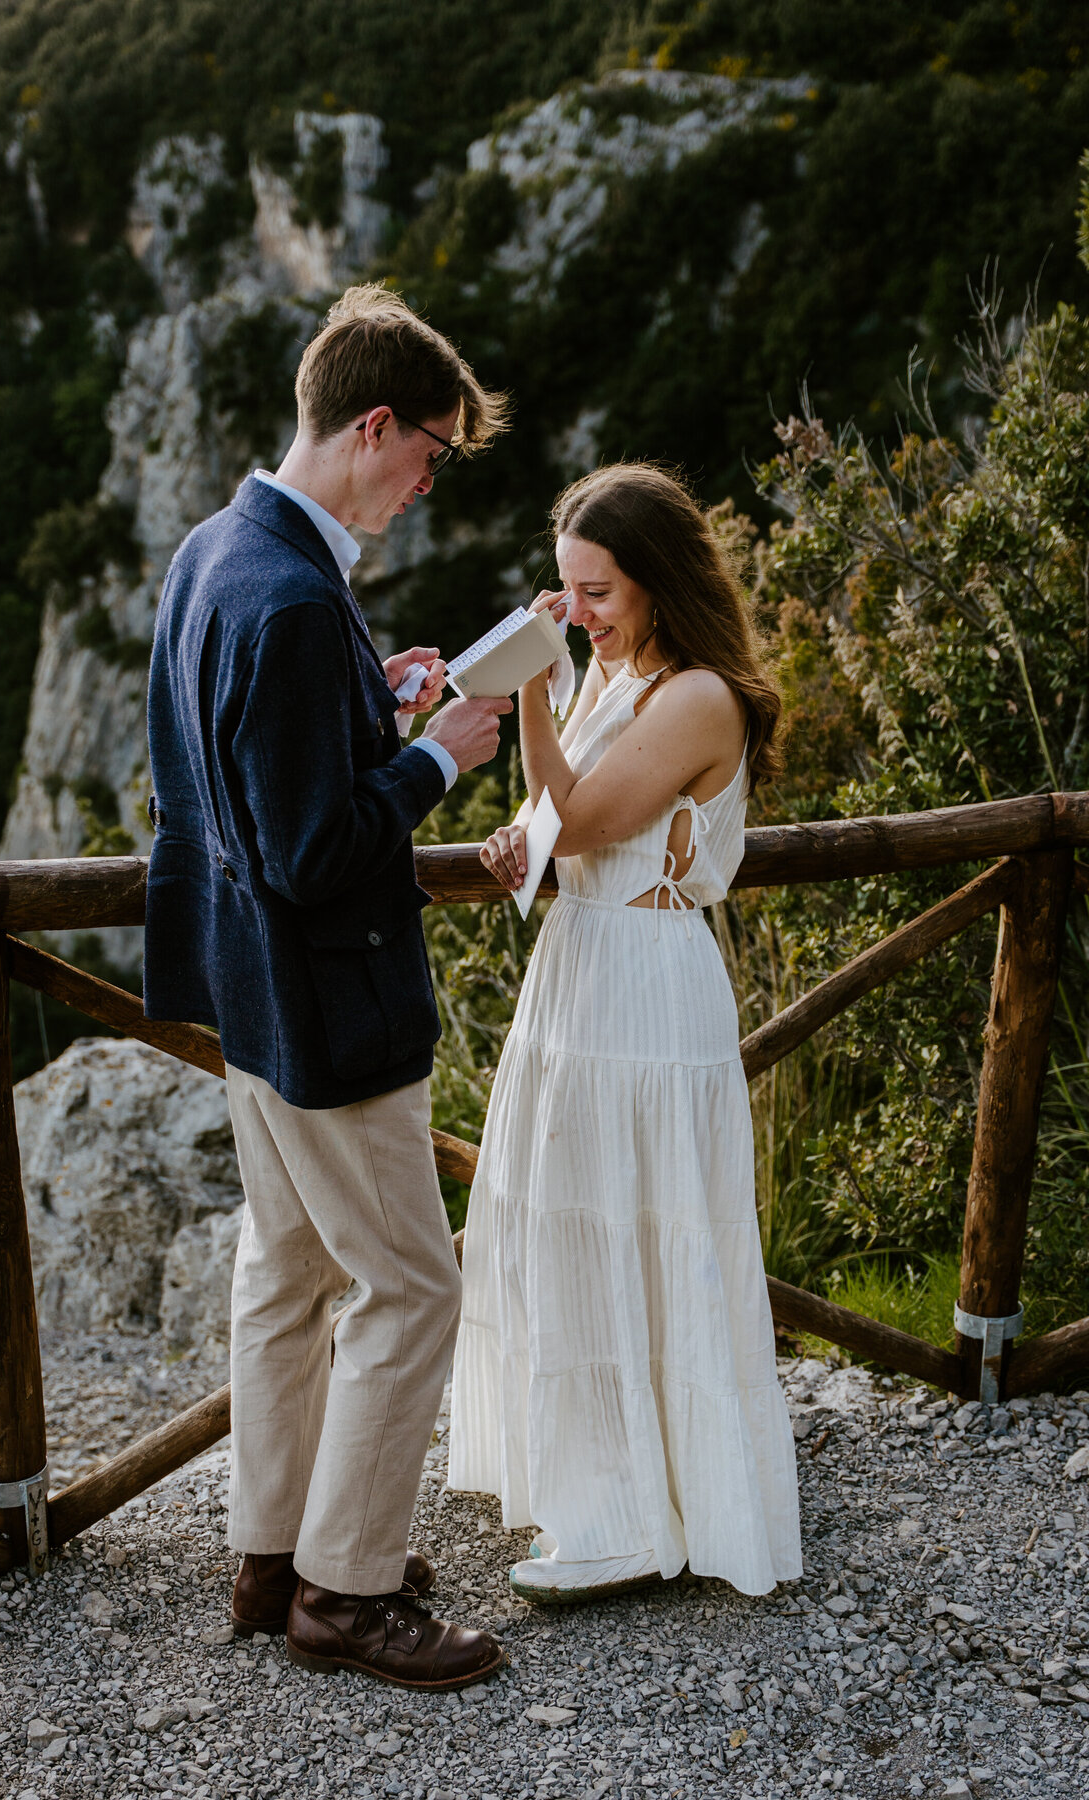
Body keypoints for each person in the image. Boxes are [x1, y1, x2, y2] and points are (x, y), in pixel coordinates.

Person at [144, 284, 513, 1689]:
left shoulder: (212, 554)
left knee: (287, 1272)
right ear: (372, 424)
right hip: (326, 998)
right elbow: (306, 853)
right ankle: (346, 1596)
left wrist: (383, 702)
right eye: (427, 453)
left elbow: (227, 785)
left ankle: (270, 1554)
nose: (426, 484)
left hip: (245, 998)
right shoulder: (295, 602)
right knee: (412, 1288)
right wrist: (438, 760)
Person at [449, 462, 803, 1603]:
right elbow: (556, 822)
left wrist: (532, 697)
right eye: (565, 591)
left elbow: (593, 817)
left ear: (654, 582)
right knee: (570, 1224)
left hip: (646, 984)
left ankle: (645, 1515)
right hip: (581, 972)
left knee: (641, 1227)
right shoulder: (612, 680)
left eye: (595, 593)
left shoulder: (697, 696)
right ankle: (603, 1487)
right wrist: (516, 838)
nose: (577, 614)